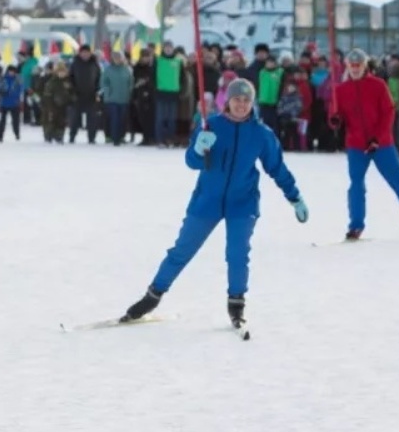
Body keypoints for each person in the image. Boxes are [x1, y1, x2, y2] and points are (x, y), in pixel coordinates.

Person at [121, 77, 308, 328]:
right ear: (227, 101)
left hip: (243, 203)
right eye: (236, 99)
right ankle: (152, 296)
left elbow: (276, 168)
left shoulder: (261, 134)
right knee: (181, 251)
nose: (241, 105)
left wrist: (294, 197)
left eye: (246, 100)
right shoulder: (211, 126)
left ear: (252, 103)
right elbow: (192, 162)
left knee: (237, 254)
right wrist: (199, 149)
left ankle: (236, 305)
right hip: (207, 201)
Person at [332, 48, 399, 240]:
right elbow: (336, 114)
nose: (355, 69)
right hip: (356, 145)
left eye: (358, 65)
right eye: (351, 65)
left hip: (382, 145)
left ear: (365, 66)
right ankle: (356, 225)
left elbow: (388, 112)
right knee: (356, 184)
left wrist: (377, 138)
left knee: (398, 180)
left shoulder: (378, 85)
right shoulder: (341, 90)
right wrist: (336, 120)